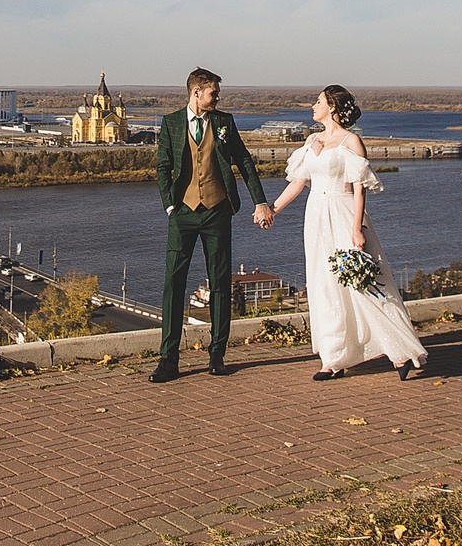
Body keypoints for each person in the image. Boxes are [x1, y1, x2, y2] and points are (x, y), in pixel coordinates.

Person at [269, 83, 428, 381]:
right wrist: (273, 209)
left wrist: (357, 228)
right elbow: (298, 182)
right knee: (323, 283)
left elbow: (359, 190)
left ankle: (401, 352)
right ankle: (333, 359)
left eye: (317, 101)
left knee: (363, 282)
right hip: (316, 216)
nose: (312, 106)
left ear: (331, 106)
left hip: (343, 214)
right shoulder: (313, 140)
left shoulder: (351, 142)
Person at [151, 67, 273, 381]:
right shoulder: (172, 123)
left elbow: (244, 160)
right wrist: (169, 206)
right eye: (213, 93)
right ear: (196, 92)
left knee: (219, 284)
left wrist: (260, 200)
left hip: (218, 211)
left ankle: (217, 355)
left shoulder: (224, 123)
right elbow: (163, 166)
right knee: (173, 285)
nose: (217, 98)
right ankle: (169, 360)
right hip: (183, 214)